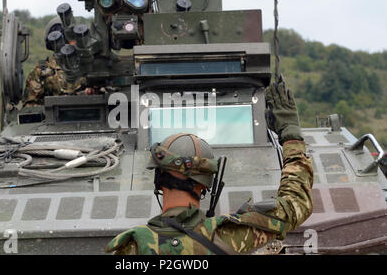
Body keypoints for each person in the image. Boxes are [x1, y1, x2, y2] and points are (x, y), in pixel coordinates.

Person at [105, 82, 314, 255]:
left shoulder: (130, 247)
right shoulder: (229, 236)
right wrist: (290, 133)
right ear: (204, 185)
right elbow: (296, 204)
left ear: (158, 179)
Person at [22, 18, 96, 107]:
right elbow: (29, 106)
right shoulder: (41, 71)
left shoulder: (89, 65)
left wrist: (92, 92)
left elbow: (108, 92)